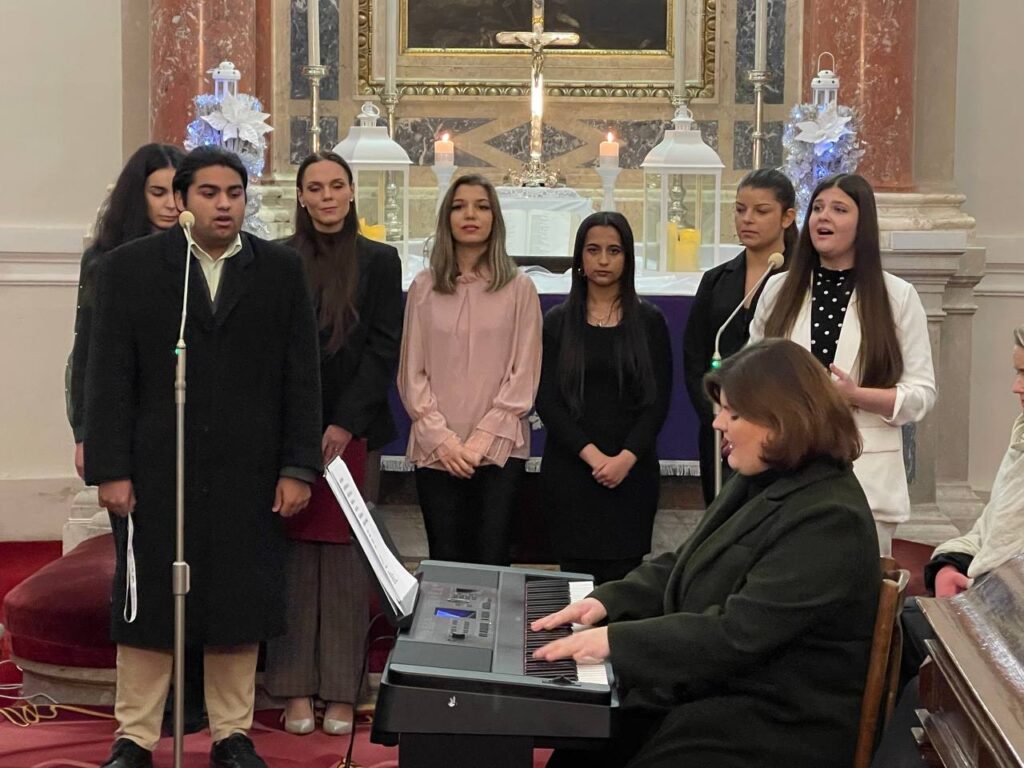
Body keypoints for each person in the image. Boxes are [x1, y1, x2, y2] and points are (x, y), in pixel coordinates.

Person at [531, 339, 880, 768]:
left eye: (733, 414)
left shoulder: (829, 518)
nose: (717, 424)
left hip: (775, 723)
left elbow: (738, 633)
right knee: (580, 742)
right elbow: (686, 561)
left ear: (782, 420)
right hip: (714, 694)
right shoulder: (762, 477)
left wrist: (612, 641)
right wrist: (603, 602)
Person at [84, 146, 323, 768]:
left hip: (248, 469)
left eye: (234, 194)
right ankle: (135, 738)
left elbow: (301, 376)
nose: (224, 205)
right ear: (182, 200)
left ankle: (231, 735)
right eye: (210, 193)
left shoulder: (279, 269)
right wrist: (111, 469)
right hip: (155, 468)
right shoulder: (130, 268)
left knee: (235, 599)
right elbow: (107, 376)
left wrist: (298, 467)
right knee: (147, 601)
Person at [264, 151, 402, 736]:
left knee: (346, 562)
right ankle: (295, 687)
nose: (326, 197)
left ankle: (343, 690)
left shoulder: (379, 261)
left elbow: (383, 349)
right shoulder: (277, 259)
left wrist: (344, 423)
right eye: (315, 187)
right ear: (301, 197)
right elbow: (271, 352)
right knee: (295, 561)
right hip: (290, 432)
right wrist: (300, 427)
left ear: (351, 192)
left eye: (336, 186)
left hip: (354, 430)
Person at [750, 173, 936, 556]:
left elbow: (921, 395)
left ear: (862, 223)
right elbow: (752, 377)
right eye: (817, 208)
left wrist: (856, 395)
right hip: (788, 468)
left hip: (866, 476)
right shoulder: (778, 289)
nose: (823, 217)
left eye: (838, 209)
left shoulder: (897, 296)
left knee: (856, 586)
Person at [871, 326, 1024, 768]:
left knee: (922, 690)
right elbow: (988, 529)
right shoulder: (1021, 433)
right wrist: (948, 566)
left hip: (1007, 631)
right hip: (984, 607)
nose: (1015, 387)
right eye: (1016, 373)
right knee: (884, 629)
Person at [398, 173, 542, 566]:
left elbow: (524, 374)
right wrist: (443, 441)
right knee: (446, 560)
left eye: (481, 207)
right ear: (447, 217)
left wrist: (479, 443)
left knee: (492, 558)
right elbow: (412, 373)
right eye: (460, 207)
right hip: (436, 449)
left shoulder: (519, 289)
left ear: (495, 218)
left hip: (500, 449)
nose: (470, 215)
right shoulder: (424, 288)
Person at [535, 212, 672, 585]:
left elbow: (658, 401)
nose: (603, 260)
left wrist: (625, 458)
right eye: (593, 250)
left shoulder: (649, 321)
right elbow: (547, 400)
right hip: (571, 473)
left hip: (632, 474)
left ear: (628, 258)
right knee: (575, 590)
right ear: (579, 257)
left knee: (623, 590)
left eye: (614, 251)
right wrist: (593, 457)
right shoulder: (558, 321)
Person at [67, 143, 186, 479]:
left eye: (178, 193)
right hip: (127, 411)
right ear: (137, 195)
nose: (171, 204)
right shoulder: (105, 259)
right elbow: (87, 350)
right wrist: (84, 435)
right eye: (158, 193)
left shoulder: (200, 255)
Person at [682, 168, 796, 505]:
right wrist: (719, 418)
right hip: (720, 428)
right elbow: (695, 357)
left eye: (761, 211)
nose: (747, 219)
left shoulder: (801, 279)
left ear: (787, 217)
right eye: (740, 209)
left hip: (779, 427)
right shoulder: (717, 280)